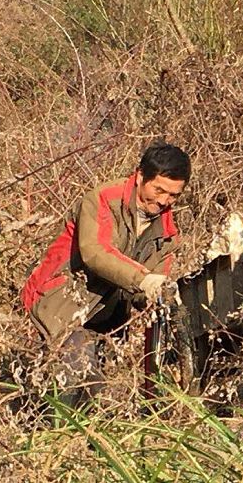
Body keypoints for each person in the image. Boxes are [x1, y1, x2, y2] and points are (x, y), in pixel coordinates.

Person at [21, 142, 191, 402]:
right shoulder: (102, 199)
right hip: (61, 302)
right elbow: (95, 253)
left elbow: (146, 292)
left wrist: (161, 297)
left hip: (107, 320)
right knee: (75, 374)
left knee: (95, 393)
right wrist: (144, 280)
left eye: (173, 196)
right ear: (139, 177)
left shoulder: (167, 233)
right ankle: (53, 435)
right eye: (159, 190)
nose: (163, 201)